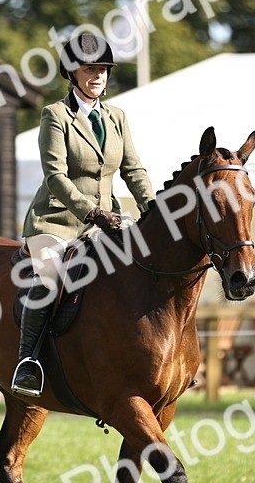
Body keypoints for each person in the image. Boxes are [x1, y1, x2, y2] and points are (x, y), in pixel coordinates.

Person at [11, 32, 157, 397]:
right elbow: (55, 176)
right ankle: (27, 362)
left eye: (103, 69)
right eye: (90, 69)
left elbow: (133, 170)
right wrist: (92, 211)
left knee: (144, 272)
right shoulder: (55, 115)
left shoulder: (117, 117)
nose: (98, 76)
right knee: (48, 281)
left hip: (105, 224)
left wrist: (152, 208)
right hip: (56, 222)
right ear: (72, 73)